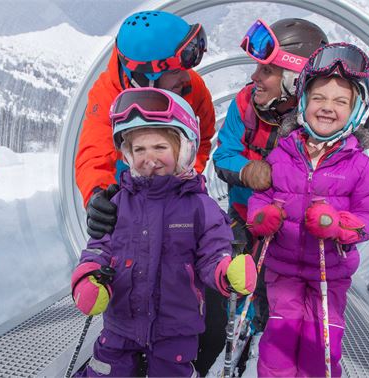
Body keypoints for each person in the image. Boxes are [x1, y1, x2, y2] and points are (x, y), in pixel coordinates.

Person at [70, 87, 257, 377]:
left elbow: (213, 252)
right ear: (128, 155)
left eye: (160, 147)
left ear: (182, 150)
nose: (149, 158)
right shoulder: (120, 201)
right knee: (104, 371)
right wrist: (89, 276)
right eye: (139, 149)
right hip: (121, 321)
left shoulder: (198, 206)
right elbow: (100, 246)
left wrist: (225, 271)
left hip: (176, 326)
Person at [246, 42, 369, 377]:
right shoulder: (282, 153)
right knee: (278, 345)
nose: (328, 107)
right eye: (320, 98)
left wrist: (340, 224)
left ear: (355, 110)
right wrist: (261, 217)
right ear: (305, 102)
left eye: (341, 101)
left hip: (330, 274)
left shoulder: (358, 166)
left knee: (320, 346)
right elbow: (262, 198)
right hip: (283, 273)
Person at [211, 18, 328, 363]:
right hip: (245, 218)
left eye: (267, 70)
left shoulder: (317, 121)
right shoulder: (245, 105)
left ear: (294, 79)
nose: (255, 77)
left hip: (291, 232)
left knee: (276, 296)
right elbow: (224, 153)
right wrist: (248, 171)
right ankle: (237, 337)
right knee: (240, 282)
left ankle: (266, 347)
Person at [75, 10, 214, 239]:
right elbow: (94, 152)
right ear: (146, 76)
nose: (186, 78)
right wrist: (98, 195)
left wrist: (187, 174)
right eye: (176, 71)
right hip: (128, 184)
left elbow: (205, 136)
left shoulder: (191, 87)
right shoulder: (107, 95)